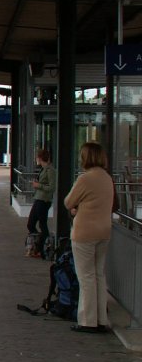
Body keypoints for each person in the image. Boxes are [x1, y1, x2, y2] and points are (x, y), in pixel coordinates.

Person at [63, 142, 114, 333]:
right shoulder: (106, 178)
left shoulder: (86, 179)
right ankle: (102, 319)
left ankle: (87, 320)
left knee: (86, 277)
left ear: (86, 157)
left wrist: (78, 207)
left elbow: (68, 202)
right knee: (99, 275)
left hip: (85, 233)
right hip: (104, 232)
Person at [26, 148, 56, 257]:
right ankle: (38, 244)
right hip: (38, 198)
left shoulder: (50, 170)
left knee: (43, 224)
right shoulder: (43, 169)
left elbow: (52, 187)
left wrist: (38, 185)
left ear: (40, 158)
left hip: (44, 200)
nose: (36, 159)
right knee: (31, 224)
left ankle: (43, 248)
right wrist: (37, 184)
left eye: (37, 157)